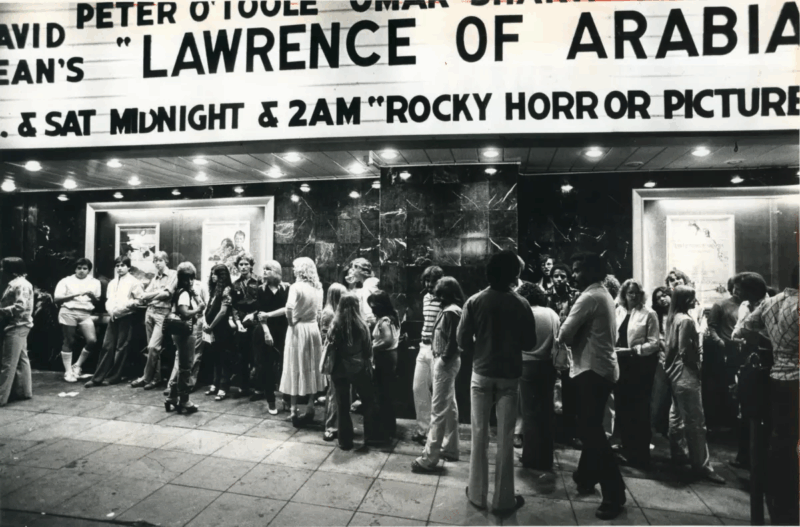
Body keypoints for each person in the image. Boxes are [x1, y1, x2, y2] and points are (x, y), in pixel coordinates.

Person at [457, 250, 536, 514]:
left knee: (479, 433)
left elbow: (462, 341)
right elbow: (529, 343)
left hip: (481, 373)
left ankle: (477, 494)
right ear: (515, 274)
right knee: (505, 437)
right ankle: (504, 500)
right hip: (509, 376)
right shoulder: (522, 304)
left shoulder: (475, 301)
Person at [557, 252, 625, 520]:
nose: (573, 275)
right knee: (591, 426)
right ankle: (584, 476)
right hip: (603, 368)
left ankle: (614, 495)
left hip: (591, 370)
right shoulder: (604, 295)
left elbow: (564, 333)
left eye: (577, 270)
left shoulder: (588, 297)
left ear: (591, 271)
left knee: (591, 430)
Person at [732, 265, 799, 525]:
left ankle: (780, 498)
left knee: (782, 441)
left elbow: (740, 330)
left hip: (776, 379)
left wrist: (770, 337)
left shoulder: (773, 302)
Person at [664, 286, 726, 485]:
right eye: (692, 298)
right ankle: (702, 466)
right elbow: (685, 351)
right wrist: (696, 368)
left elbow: (672, 350)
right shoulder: (687, 321)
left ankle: (678, 453)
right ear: (685, 299)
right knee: (696, 422)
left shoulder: (673, 318)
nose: (695, 301)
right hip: (686, 375)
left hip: (674, 375)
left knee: (676, 415)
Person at [412, 277, 465, 473]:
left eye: (440, 295)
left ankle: (429, 457)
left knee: (438, 409)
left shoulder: (451, 312)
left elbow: (453, 341)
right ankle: (450, 448)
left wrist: (442, 359)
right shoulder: (454, 310)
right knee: (449, 405)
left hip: (445, 362)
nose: (437, 298)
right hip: (446, 361)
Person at [613, 279, 660, 468]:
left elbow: (654, 342)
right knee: (622, 406)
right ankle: (626, 446)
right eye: (629, 293)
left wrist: (637, 350)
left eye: (636, 293)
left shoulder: (649, 313)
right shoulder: (618, 311)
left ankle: (639, 453)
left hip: (639, 365)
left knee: (639, 408)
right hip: (620, 363)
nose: (632, 296)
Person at [328, 293, 382, 450]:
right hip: (359, 367)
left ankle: (345, 441)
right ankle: (370, 437)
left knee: (342, 405)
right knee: (368, 401)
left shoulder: (336, 324)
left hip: (339, 369)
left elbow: (331, 346)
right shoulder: (362, 325)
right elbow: (367, 349)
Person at [515, 283, 560, 470]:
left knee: (529, 413)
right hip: (548, 364)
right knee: (546, 412)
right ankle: (546, 457)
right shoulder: (552, 314)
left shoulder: (523, 313)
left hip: (526, 365)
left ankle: (531, 457)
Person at [279, 257, 325, 427]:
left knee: (294, 365)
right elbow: (319, 312)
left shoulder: (296, 287)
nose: (293, 270)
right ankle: (310, 406)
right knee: (311, 366)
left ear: (300, 270)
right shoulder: (318, 288)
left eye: (295, 267)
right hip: (313, 329)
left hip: (297, 330)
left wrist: (291, 323)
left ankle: (293, 410)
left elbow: (289, 307)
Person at [85, 256, 143, 387]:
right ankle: (97, 378)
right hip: (113, 317)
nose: (120, 268)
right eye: (117, 265)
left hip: (127, 316)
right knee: (107, 346)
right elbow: (109, 299)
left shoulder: (134, 282)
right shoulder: (112, 283)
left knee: (121, 347)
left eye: (123, 265)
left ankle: (114, 376)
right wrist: (110, 310)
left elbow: (140, 300)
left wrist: (126, 306)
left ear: (128, 267)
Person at [131, 251, 177, 390]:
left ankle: (146, 377)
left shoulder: (173, 275)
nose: (157, 263)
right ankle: (155, 378)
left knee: (153, 347)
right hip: (149, 312)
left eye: (160, 260)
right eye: (155, 260)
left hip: (162, 314)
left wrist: (148, 296)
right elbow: (147, 295)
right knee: (152, 349)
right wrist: (154, 295)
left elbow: (167, 294)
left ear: (166, 261)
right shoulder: (155, 277)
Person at [164, 262, 204, 414]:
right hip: (185, 331)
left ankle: (172, 398)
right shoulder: (184, 294)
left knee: (182, 364)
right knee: (186, 366)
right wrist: (198, 310)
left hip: (179, 332)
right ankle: (184, 400)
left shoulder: (180, 290)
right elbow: (185, 312)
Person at [53, 258, 101, 382]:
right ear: (75, 269)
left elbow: (97, 301)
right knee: (69, 340)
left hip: (85, 313)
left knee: (92, 340)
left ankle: (77, 365)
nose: (81, 271)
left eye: (84, 268)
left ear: (89, 270)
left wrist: (91, 296)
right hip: (69, 311)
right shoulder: (66, 281)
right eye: (79, 268)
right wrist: (74, 295)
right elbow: (57, 299)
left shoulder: (95, 282)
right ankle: (68, 371)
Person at [253, 260, 290, 415]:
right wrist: (266, 331)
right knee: (267, 365)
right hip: (265, 329)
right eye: (264, 269)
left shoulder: (286, 288)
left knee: (284, 365)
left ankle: (287, 398)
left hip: (284, 330)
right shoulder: (260, 290)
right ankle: (271, 401)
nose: (265, 272)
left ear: (276, 271)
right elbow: (260, 312)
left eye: (268, 269)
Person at [413, 265, 444, 444]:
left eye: (432, 281)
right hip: (423, 346)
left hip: (436, 348)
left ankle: (435, 433)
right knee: (418, 388)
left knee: (437, 392)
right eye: (427, 281)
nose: (429, 284)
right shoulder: (426, 297)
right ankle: (423, 429)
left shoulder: (445, 300)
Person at [0, 257, 34, 407]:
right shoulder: (19, 283)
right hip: (21, 325)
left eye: (3, 267)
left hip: (16, 325)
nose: (1, 270)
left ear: (11, 269)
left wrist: (2, 311)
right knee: (21, 358)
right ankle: (24, 392)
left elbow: (20, 307)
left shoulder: (20, 285)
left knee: (8, 362)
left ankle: (2, 396)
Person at [368, 290, 401, 441]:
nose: (372, 309)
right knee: (387, 393)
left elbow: (387, 340)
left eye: (374, 306)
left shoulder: (384, 321)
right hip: (392, 356)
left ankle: (384, 430)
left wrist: (372, 347)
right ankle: (389, 427)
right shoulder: (394, 317)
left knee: (382, 393)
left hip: (384, 358)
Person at [231, 254, 262, 399]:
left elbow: (263, 303)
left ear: (251, 266)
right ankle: (244, 387)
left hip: (256, 323)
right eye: (240, 264)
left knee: (257, 357)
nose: (243, 267)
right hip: (242, 324)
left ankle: (258, 389)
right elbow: (234, 306)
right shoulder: (235, 284)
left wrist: (254, 314)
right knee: (242, 356)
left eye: (245, 264)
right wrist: (237, 322)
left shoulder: (259, 281)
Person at [204, 264, 236, 401]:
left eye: (215, 274)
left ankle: (223, 386)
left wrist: (211, 326)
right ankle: (215, 383)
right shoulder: (214, 290)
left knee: (223, 358)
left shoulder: (227, 290)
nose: (213, 276)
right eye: (212, 273)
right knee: (215, 357)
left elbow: (223, 312)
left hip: (222, 328)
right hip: (213, 329)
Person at [320, 283, 347, 440]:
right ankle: (331, 426)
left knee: (335, 392)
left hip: (338, 356)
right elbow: (327, 338)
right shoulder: (330, 313)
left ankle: (334, 423)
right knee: (333, 392)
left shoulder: (337, 311)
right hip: (334, 356)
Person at [650, 286, 672, 438]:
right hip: (661, 356)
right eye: (658, 297)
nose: (662, 299)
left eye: (665, 295)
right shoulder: (655, 316)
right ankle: (656, 426)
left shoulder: (676, 314)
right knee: (659, 392)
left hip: (676, 356)